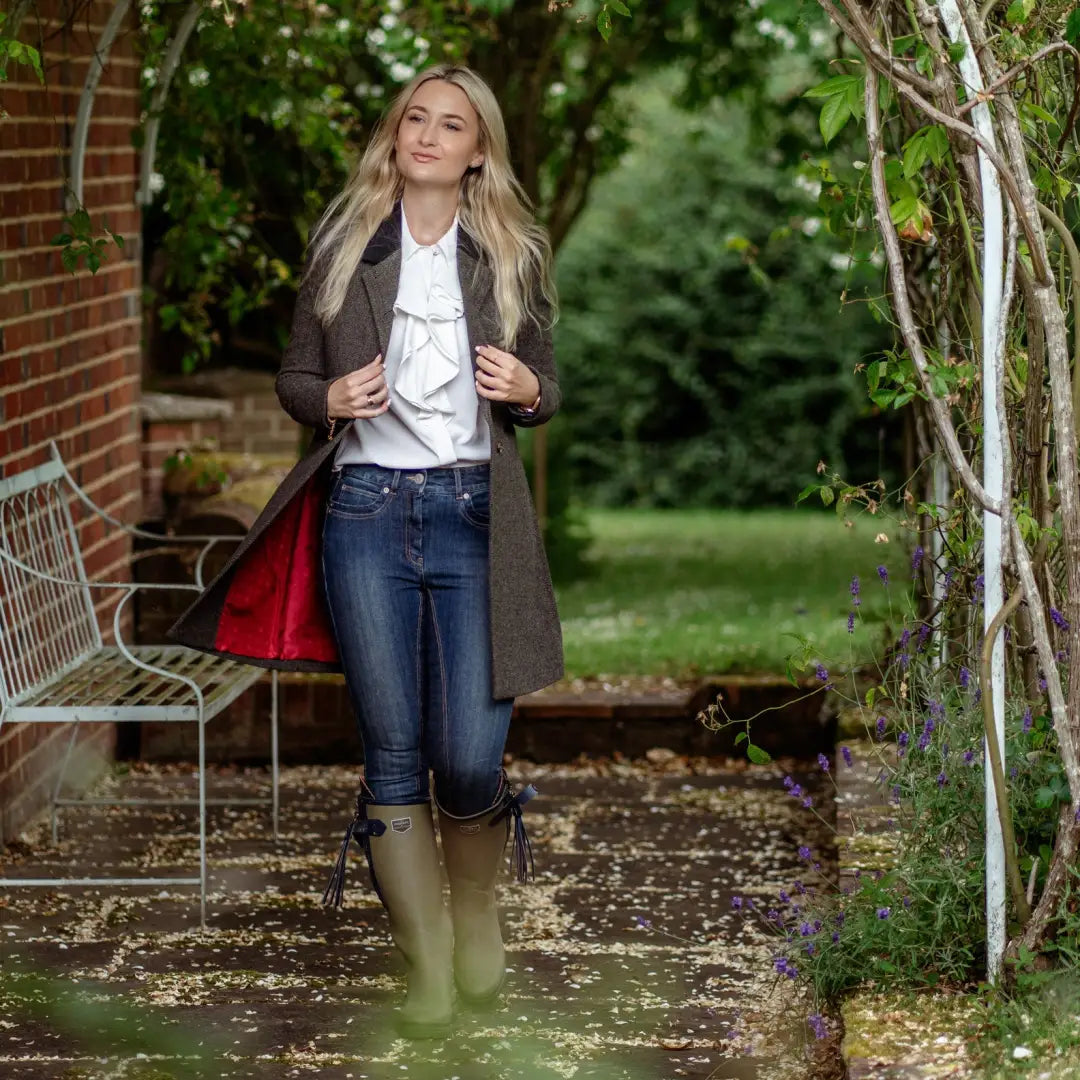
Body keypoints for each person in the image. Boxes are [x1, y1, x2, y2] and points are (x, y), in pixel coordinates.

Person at [283, 63, 563, 1039]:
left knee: (472, 756)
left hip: (475, 516)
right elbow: (293, 372)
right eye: (415, 119)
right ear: (396, 134)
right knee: (394, 751)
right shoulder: (347, 241)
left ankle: (477, 905)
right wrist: (327, 401)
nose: (429, 136)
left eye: (451, 125)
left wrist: (528, 386)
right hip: (364, 514)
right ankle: (428, 966)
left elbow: (548, 386)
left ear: (477, 149)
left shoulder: (511, 250)